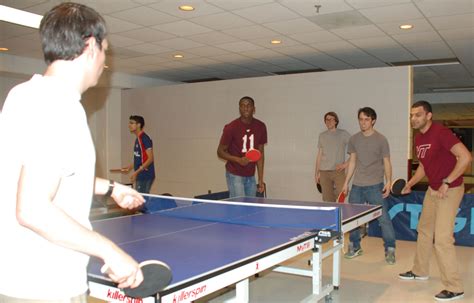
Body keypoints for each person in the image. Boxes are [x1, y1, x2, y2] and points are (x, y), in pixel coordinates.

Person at [0, 3, 146, 302]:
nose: (105, 62)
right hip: (46, 284)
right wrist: (111, 251)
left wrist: (111, 188)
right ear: (91, 46)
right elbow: (32, 210)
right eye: (105, 50)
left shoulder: (23, 94)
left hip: (15, 276)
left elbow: (40, 172)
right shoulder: (60, 108)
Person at [399, 101, 471, 301]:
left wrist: (447, 182)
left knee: (442, 239)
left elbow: (465, 157)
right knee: (424, 230)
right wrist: (410, 184)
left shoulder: (441, 133)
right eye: (412, 115)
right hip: (433, 190)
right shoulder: (418, 138)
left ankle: (455, 287)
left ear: (428, 116)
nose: (414, 119)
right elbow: (423, 166)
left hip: (451, 189)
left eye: (418, 115)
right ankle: (420, 270)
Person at [341, 107, 396, 264]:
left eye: (366, 119)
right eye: (360, 119)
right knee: (353, 220)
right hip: (357, 186)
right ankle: (355, 246)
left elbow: (387, 162)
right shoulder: (354, 139)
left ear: (373, 120)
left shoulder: (381, 139)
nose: (363, 122)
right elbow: (352, 161)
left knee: (384, 219)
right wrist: (346, 183)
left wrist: (389, 181)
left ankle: (390, 249)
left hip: (375, 186)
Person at [217, 96, 267, 197]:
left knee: (250, 207)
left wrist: (260, 179)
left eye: (248, 105)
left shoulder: (261, 126)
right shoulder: (231, 127)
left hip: (250, 174)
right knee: (238, 207)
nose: (246, 108)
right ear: (239, 109)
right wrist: (237, 160)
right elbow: (220, 151)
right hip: (235, 173)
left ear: (254, 109)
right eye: (242, 106)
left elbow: (260, 154)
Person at [315, 112, 350, 201]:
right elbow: (319, 155)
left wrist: (345, 164)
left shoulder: (343, 134)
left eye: (331, 119)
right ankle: (331, 213)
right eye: (326, 120)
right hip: (324, 172)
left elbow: (355, 150)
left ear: (335, 121)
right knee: (327, 199)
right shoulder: (322, 136)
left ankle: (338, 209)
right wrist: (316, 173)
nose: (328, 121)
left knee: (343, 194)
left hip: (338, 171)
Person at [121, 115, 155, 193]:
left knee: (141, 201)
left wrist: (136, 173)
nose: (129, 125)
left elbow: (150, 159)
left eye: (132, 123)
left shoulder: (144, 138)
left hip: (145, 175)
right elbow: (140, 158)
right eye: (129, 123)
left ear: (139, 125)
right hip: (141, 175)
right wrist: (130, 167)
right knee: (141, 201)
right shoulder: (138, 139)